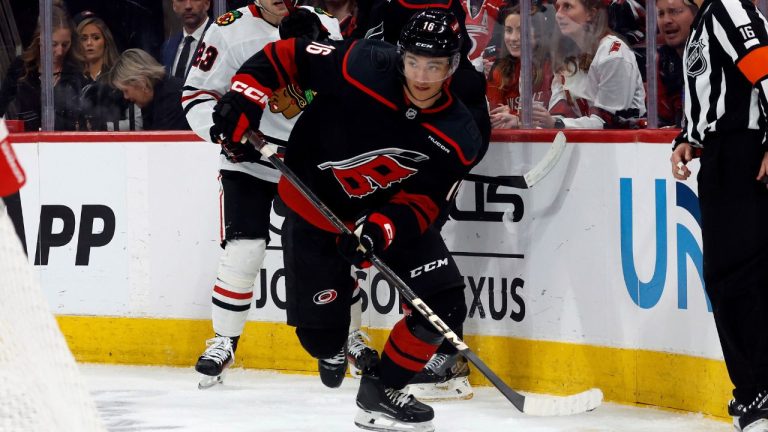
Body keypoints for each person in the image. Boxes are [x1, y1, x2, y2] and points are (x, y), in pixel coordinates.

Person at [210, 9, 481, 431]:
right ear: (400, 55)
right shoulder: (363, 63)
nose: (422, 77)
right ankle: (336, 328)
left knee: (443, 304)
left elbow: (426, 201)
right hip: (313, 211)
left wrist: (380, 230)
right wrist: (243, 99)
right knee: (321, 341)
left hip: (381, 218)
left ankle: (382, 392)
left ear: (453, 65)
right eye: (413, 62)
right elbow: (286, 55)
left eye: (435, 66)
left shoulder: (459, 133)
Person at [181, 1, 378, 390]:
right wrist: (224, 134)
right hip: (249, 159)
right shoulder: (227, 28)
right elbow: (195, 97)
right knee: (246, 247)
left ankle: (349, 336)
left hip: (307, 162)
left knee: (332, 250)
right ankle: (224, 340)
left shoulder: (323, 23)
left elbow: (345, 90)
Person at [670, 0, 768, 429]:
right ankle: (754, 390)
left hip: (742, 156)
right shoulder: (711, 14)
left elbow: (765, 66)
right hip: (724, 155)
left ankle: (759, 390)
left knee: (740, 278)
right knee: (731, 278)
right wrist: (688, 137)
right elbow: (718, 91)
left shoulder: (728, 6)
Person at [532, 0, 646, 129]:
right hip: (584, 145)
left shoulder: (613, 54)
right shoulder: (565, 57)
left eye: (567, 6)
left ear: (591, 14)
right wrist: (521, 124)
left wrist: (556, 124)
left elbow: (609, 124)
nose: (558, 14)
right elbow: (559, 117)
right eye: (557, 7)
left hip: (627, 145)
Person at [0, 6, 86, 131]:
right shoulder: (21, 67)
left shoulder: (76, 70)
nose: (60, 51)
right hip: (28, 145)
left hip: (67, 144)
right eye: (53, 44)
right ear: (40, 39)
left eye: (65, 44)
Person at [486, 5, 554, 129]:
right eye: (509, 30)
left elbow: (556, 121)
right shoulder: (499, 69)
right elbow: (495, 118)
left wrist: (517, 120)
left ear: (538, 34)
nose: (513, 38)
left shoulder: (551, 68)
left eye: (522, 31)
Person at [111, 49, 190, 130]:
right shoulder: (150, 99)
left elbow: (163, 141)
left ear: (141, 81)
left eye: (126, 91)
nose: (125, 97)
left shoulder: (174, 98)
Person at [655, 0, 696, 127]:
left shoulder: (718, 56)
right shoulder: (663, 60)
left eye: (674, 12)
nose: (666, 20)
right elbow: (664, 120)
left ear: (698, 14)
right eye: (661, 14)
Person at [162, 0, 213, 79]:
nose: (188, 6)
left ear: (207, 3)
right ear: (174, 6)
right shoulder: (167, 47)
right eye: (181, 0)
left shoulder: (222, 39)